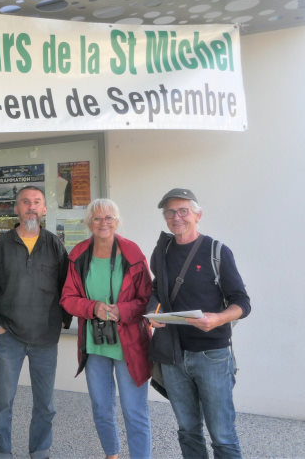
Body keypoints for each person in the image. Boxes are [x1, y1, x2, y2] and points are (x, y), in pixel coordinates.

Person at [148, 188, 251, 459]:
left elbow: (242, 303)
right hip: (173, 355)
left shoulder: (217, 251)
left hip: (212, 355)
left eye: (183, 210)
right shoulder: (163, 251)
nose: (176, 217)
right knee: (187, 430)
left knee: (222, 436)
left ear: (198, 214)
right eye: (170, 212)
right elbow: (157, 290)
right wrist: (153, 313)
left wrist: (218, 318)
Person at [0, 185, 71, 459]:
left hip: (45, 338)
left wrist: (64, 319)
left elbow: (67, 287)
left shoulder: (55, 245)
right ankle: (3, 451)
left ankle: (40, 450)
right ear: (16, 208)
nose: (31, 207)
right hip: (10, 338)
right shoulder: (0, 246)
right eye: (25, 202)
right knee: (4, 400)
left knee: (45, 403)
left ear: (44, 209)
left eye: (36, 202)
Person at [60, 199, 152, 459]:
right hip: (95, 343)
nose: (103, 223)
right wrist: (92, 308)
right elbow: (67, 298)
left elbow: (147, 299)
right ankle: (111, 454)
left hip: (130, 343)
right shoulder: (78, 254)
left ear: (117, 221)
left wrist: (124, 310)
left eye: (109, 217)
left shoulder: (133, 253)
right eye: (97, 218)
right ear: (89, 222)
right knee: (101, 407)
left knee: (134, 410)